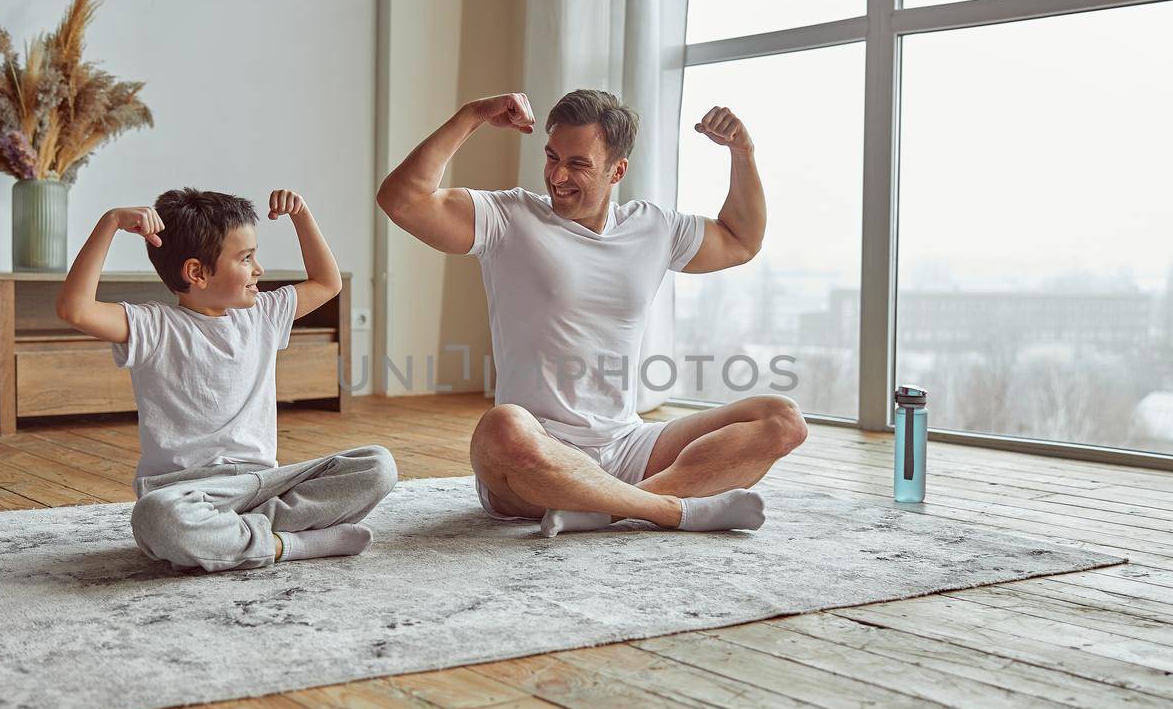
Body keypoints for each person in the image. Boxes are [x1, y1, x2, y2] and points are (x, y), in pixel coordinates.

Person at [376, 88, 807, 536]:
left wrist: (743, 151)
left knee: (782, 419)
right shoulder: (508, 217)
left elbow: (741, 240)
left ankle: (604, 509)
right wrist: (471, 115)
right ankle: (670, 510)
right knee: (501, 427)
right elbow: (402, 200)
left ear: (617, 170)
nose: (558, 175)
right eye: (551, 157)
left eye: (578, 164)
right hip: (538, 451)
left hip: (627, 446)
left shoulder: (654, 227)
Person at [56, 187, 396, 571]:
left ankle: (236, 538)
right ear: (197, 272)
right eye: (246, 258)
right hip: (185, 493)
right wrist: (111, 223)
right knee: (156, 518)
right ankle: (291, 544)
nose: (259, 269)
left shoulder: (263, 314)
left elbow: (327, 282)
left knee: (377, 465)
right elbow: (75, 308)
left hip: (263, 483)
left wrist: (301, 215)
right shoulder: (153, 326)